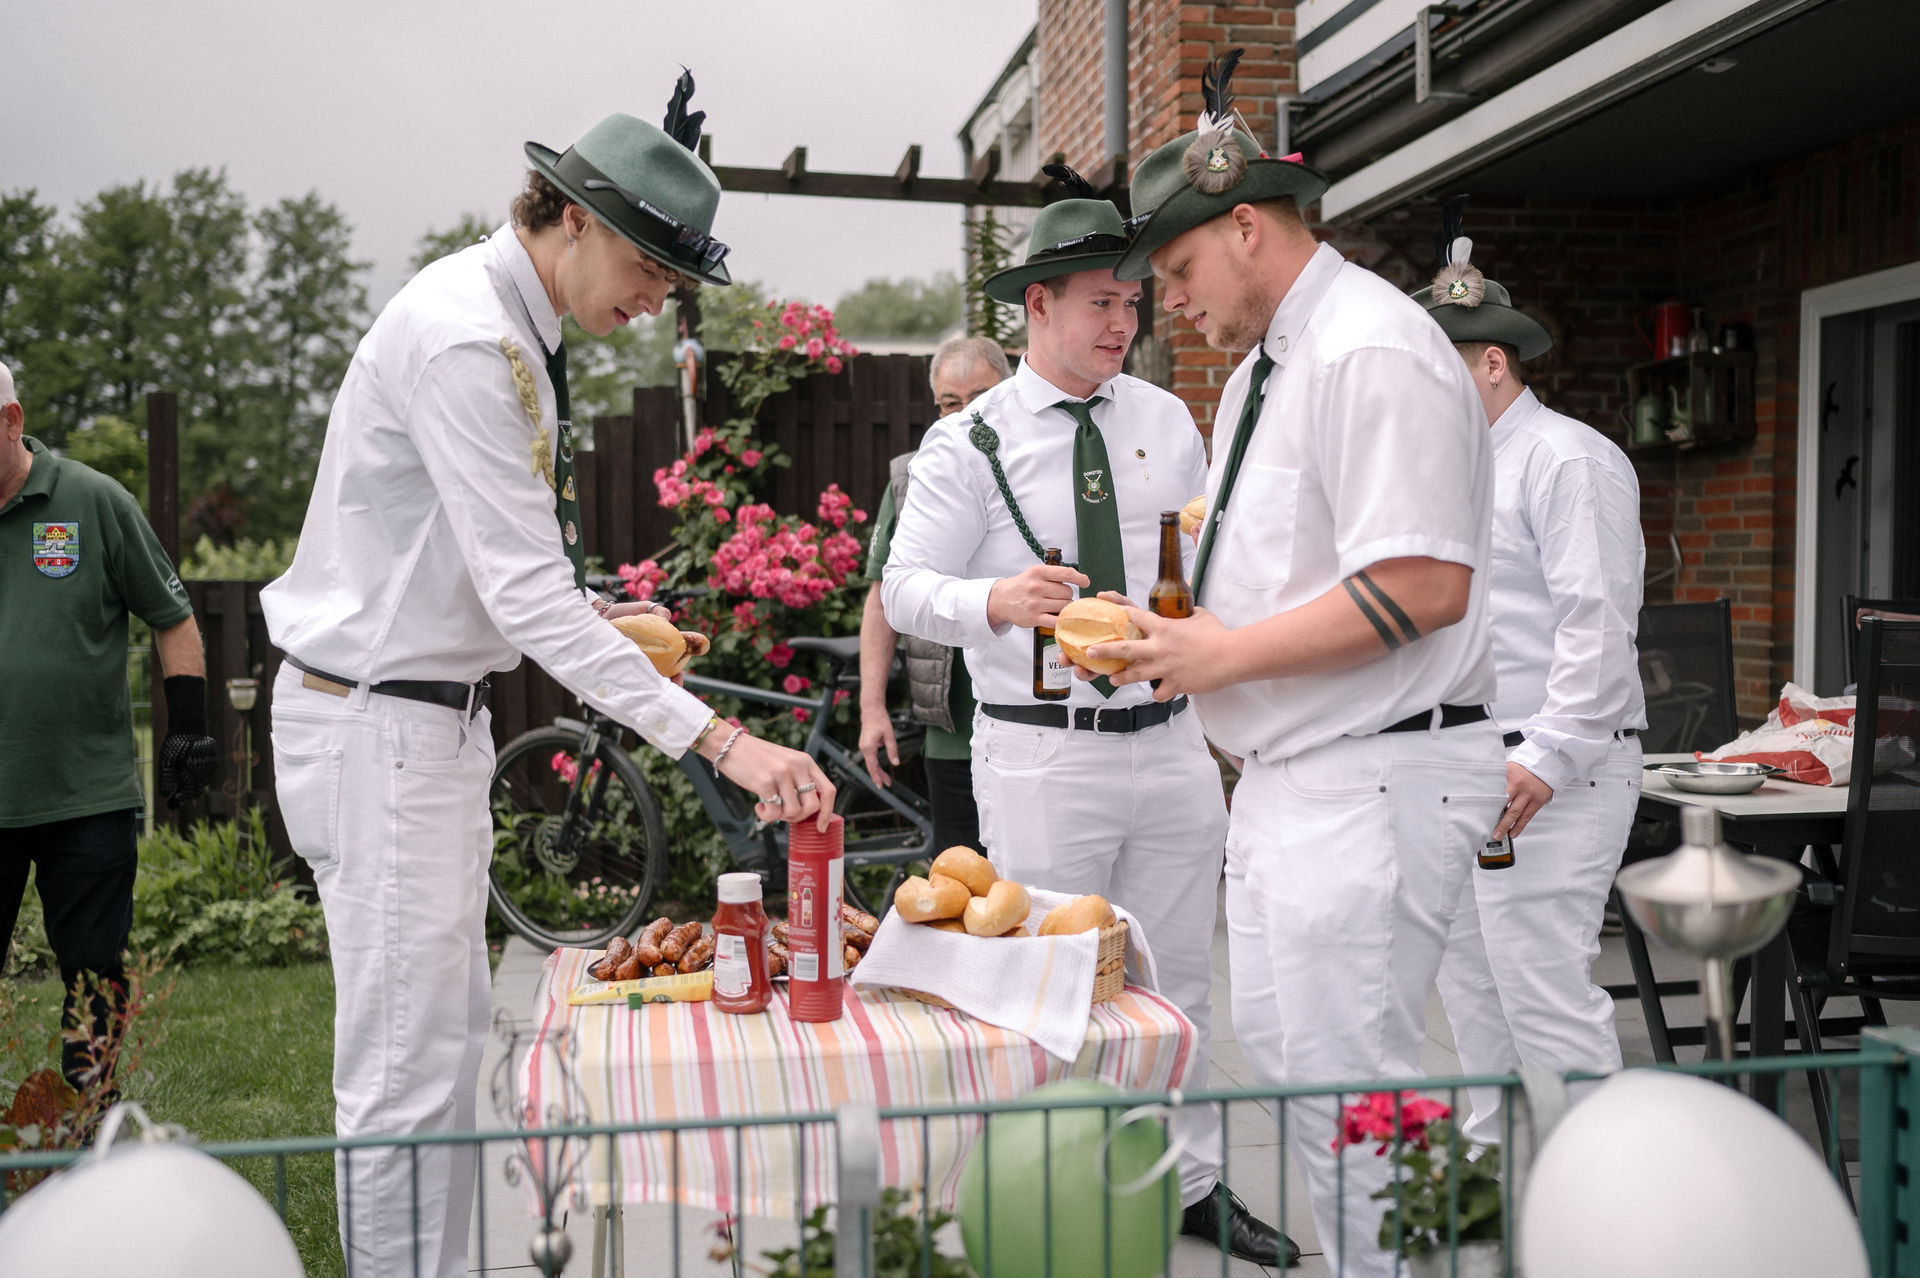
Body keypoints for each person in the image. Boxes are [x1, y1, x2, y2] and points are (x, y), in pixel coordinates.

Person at [261, 84, 834, 1278]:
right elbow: (524, 600)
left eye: (675, 279)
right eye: (651, 266)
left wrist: (600, 618)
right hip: (378, 728)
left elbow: (487, 569)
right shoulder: (469, 339)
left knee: (444, 1051)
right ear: (574, 218)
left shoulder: (515, 326)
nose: (658, 299)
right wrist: (724, 743)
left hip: (417, 723)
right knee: (404, 1076)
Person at [1096, 53, 1505, 1278]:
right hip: (1291, 783)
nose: (1169, 303)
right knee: (1303, 1074)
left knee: (1358, 1096)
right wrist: (1171, 634)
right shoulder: (1265, 373)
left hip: (1369, 777)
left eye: (1177, 271)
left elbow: (1424, 586)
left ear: (1245, 225)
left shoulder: (1369, 346)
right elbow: (1285, 574)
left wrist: (1219, 652)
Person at [881, 175, 1292, 1267]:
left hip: (1171, 742)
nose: (1124, 322)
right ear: (1039, 306)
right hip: (1041, 751)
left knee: (1178, 983)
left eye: (1133, 302)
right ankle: (1051, 1193)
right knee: (1053, 983)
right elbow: (903, 588)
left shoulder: (1163, 419)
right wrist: (994, 598)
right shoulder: (968, 442)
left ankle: (1188, 1187)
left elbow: (1204, 557)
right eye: (1102, 303)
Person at [1416, 221, 1648, 1115]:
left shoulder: (1567, 458)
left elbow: (1599, 625)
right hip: (1471, 763)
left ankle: (1598, 1185)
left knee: (1544, 996)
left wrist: (1544, 759)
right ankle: (1499, 1174)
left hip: (1555, 769)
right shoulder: (1455, 468)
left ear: (1493, 364)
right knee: (1474, 994)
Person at [0, 359, 216, 1096]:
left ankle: (87, 1116)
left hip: (85, 795)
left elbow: (171, 615)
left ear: (11, 421)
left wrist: (190, 726)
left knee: (93, 972)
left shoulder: (93, 502)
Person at [857, 335, 1010, 851]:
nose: (964, 414)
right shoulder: (909, 478)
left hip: (1036, 723)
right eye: (950, 402)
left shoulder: (1038, 466)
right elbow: (882, 600)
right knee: (961, 876)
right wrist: (872, 708)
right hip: (953, 731)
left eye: (979, 397)